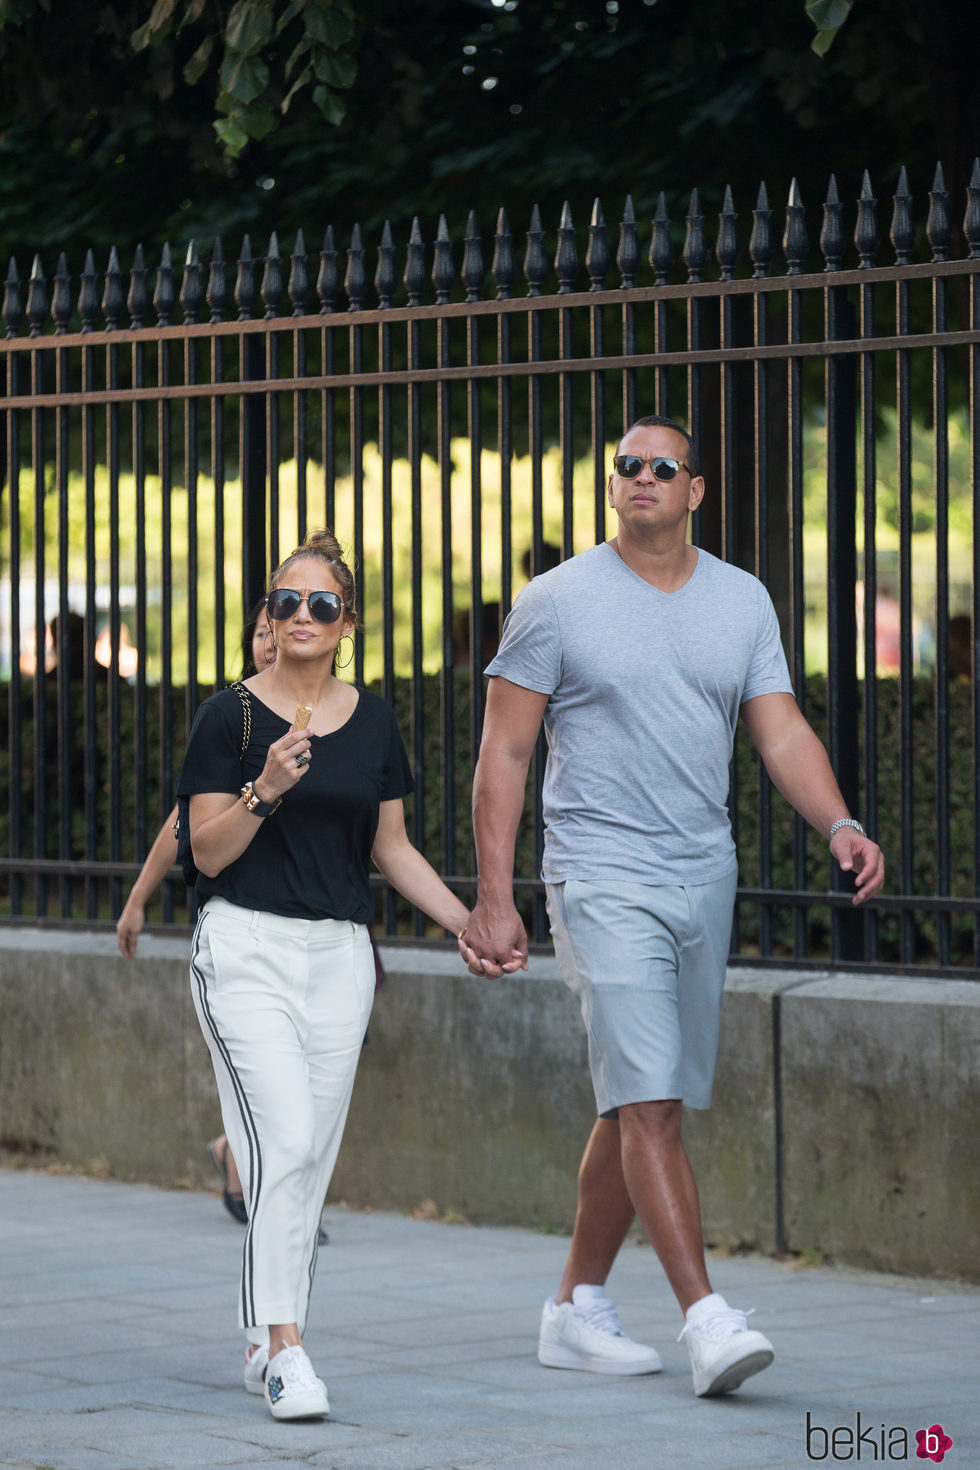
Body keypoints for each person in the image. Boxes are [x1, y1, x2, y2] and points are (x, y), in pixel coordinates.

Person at [460, 415, 885, 1399]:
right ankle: (705, 1318)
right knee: (647, 1098)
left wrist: (839, 826)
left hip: (704, 872)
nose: (640, 477)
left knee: (640, 1099)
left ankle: (573, 1306)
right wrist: (495, 895)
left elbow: (778, 735)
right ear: (611, 486)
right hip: (598, 872)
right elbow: (504, 754)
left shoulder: (739, 602)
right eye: (625, 465)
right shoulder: (555, 601)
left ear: (695, 490)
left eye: (662, 466)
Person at [178, 527, 471, 1421]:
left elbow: (392, 848)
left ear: (349, 620)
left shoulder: (374, 720)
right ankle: (287, 1351)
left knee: (308, 1158)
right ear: (266, 613)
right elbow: (207, 852)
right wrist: (264, 786)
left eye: (321, 603)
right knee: (286, 1143)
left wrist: (468, 922)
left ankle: (265, 1333)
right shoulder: (226, 716)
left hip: (339, 957)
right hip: (243, 951)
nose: (301, 614)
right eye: (285, 600)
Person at [117, 601, 277, 1225]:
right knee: (261, 1060)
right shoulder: (230, 721)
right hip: (239, 914)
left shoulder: (341, 714)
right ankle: (258, 1178)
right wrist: (136, 900)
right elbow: (183, 824)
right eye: (262, 633)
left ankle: (242, 1156)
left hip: (318, 919)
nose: (273, 642)